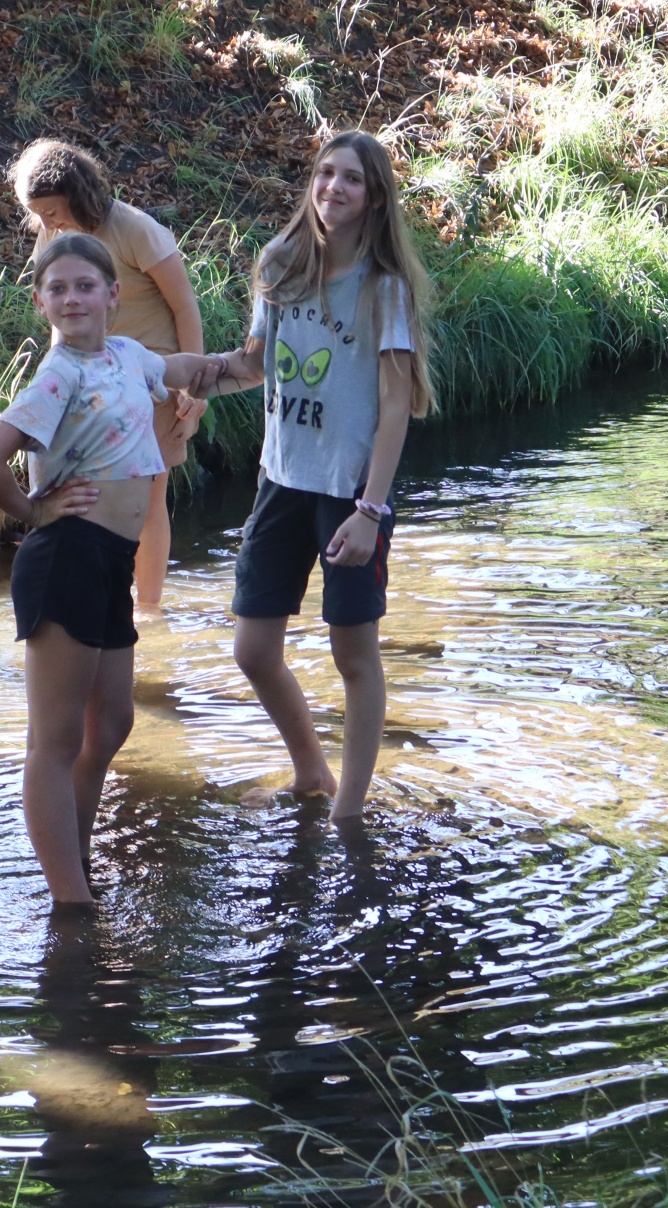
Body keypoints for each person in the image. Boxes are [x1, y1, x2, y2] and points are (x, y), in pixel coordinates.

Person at [0, 234, 224, 907]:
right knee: (54, 741)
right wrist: (33, 511)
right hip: (68, 555)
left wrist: (241, 364)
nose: (72, 298)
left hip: (110, 560)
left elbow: (183, 368)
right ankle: (70, 900)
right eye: (58, 288)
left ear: (113, 294)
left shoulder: (127, 355)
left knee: (111, 723)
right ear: (40, 301)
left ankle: (77, 857)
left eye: (85, 286)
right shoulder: (59, 376)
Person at [193, 130, 432, 818]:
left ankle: (349, 810)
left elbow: (396, 405)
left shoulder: (384, 289)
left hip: (351, 492)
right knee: (252, 649)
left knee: (353, 655)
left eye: (351, 178)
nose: (334, 187)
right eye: (326, 173)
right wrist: (183, 377)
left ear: (374, 196)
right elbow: (254, 364)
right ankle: (311, 772)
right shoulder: (280, 261)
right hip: (281, 480)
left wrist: (370, 510)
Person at [14, 140, 207, 614]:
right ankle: (105, 600)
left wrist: (195, 388)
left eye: (51, 211)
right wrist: (55, 383)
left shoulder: (135, 229)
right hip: (86, 387)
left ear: (77, 195)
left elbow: (185, 306)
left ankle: (149, 610)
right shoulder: (52, 236)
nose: (45, 223)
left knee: (149, 497)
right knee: (88, 497)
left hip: (153, 382)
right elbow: (59, 318)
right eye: (36, 214)